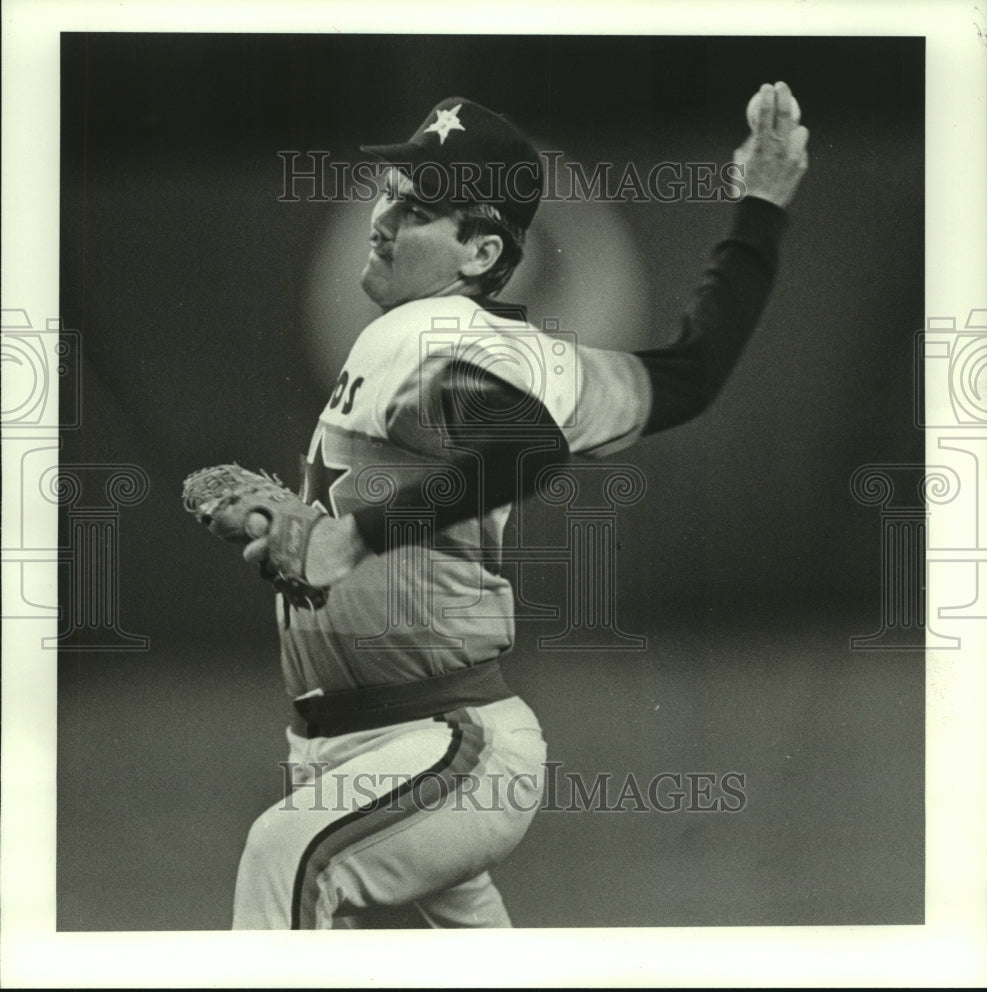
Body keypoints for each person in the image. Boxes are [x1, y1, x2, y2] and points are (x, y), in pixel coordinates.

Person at [231, 86, 809, 929]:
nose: (383, 218)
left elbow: (519, 451)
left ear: (479, 251)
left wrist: (353, 537)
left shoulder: (418, 337)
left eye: (420, 208)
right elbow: (690, 374)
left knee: (287, 858)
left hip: (436, 748)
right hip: (376, 751)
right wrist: (759, 204)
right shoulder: (531, 357)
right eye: (393, 193)